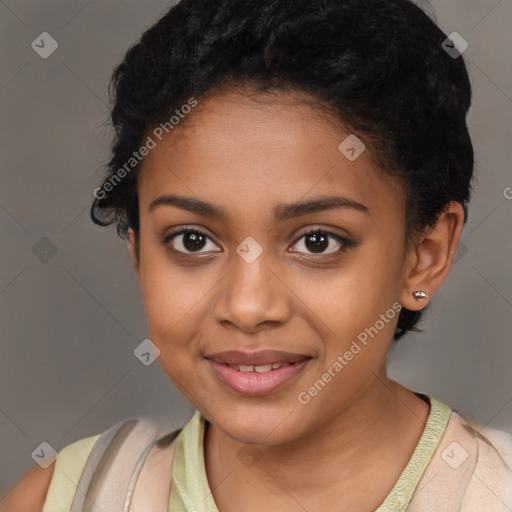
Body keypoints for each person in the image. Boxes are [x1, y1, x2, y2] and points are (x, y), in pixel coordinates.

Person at [3, 0, 512, 510]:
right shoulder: (67, 498)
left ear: (426, 254)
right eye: (192, 240)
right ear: (138, 252)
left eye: (317, 241)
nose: (247, 307)